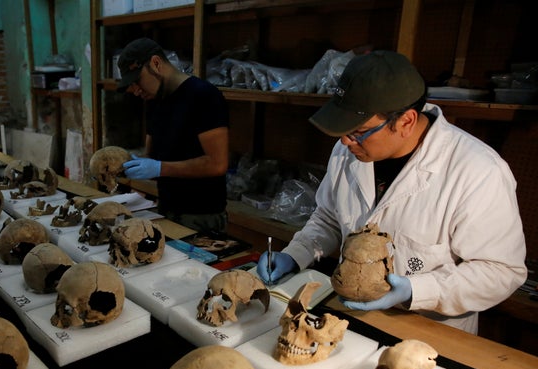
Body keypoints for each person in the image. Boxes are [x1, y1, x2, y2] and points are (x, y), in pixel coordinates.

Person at [257, 50, 527, 334]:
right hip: (351, 317)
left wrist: (418, 290)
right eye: (343, 131)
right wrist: (297, 253)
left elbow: (501, 271)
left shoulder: (477, 171)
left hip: (430, 332)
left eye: (358, 131)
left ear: (406, 121)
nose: (346, 141)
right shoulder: (349, 150)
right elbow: (328, 218)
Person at [117, 37, 230, 234]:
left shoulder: (203, 96)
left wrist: (159, 168)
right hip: (166, 210)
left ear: (156, 63)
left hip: (201, 217)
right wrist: (131, 166)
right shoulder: (154, 101)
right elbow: (153, 157)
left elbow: (217, 163)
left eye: (137, 80)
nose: (135, 90)